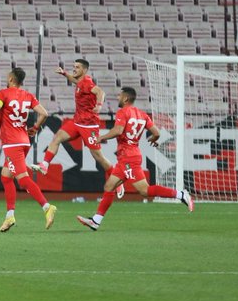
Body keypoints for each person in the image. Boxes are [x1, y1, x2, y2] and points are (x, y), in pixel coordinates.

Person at [77, 87, 193, 230]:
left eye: (120, 95)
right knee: (109, 186)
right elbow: (156, 132)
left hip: (128, 158)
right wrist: (153, 138)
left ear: (126, 98)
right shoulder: (142, 114)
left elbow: (118, 130)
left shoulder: (123, 112)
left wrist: (101, 137)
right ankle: (96, 220)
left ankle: (180, 194)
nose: (118, 96)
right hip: (128, 156)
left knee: (144, 190)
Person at [0, 67, 56, 232]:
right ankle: (10, 216)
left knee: (23, 179)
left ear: (11, 79)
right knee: (6, 177)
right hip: (24, 141)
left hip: (12, 143)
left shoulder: (3, 93)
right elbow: (44, 113)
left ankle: (47, 207)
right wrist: (36, 127)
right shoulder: (28, 95)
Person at [37, 58, 115, 178]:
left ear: (84, 70)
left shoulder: (87, 83)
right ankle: (45, 165)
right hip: (77, 122)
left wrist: (99, 106)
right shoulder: (80, 82)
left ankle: (115, 177)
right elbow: (74, 80)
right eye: (74, 66)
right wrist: (64, 73)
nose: (74, 69)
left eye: (77, 67)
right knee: (57, 137)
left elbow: (101, 92)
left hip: (89, 125)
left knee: (97, 156)